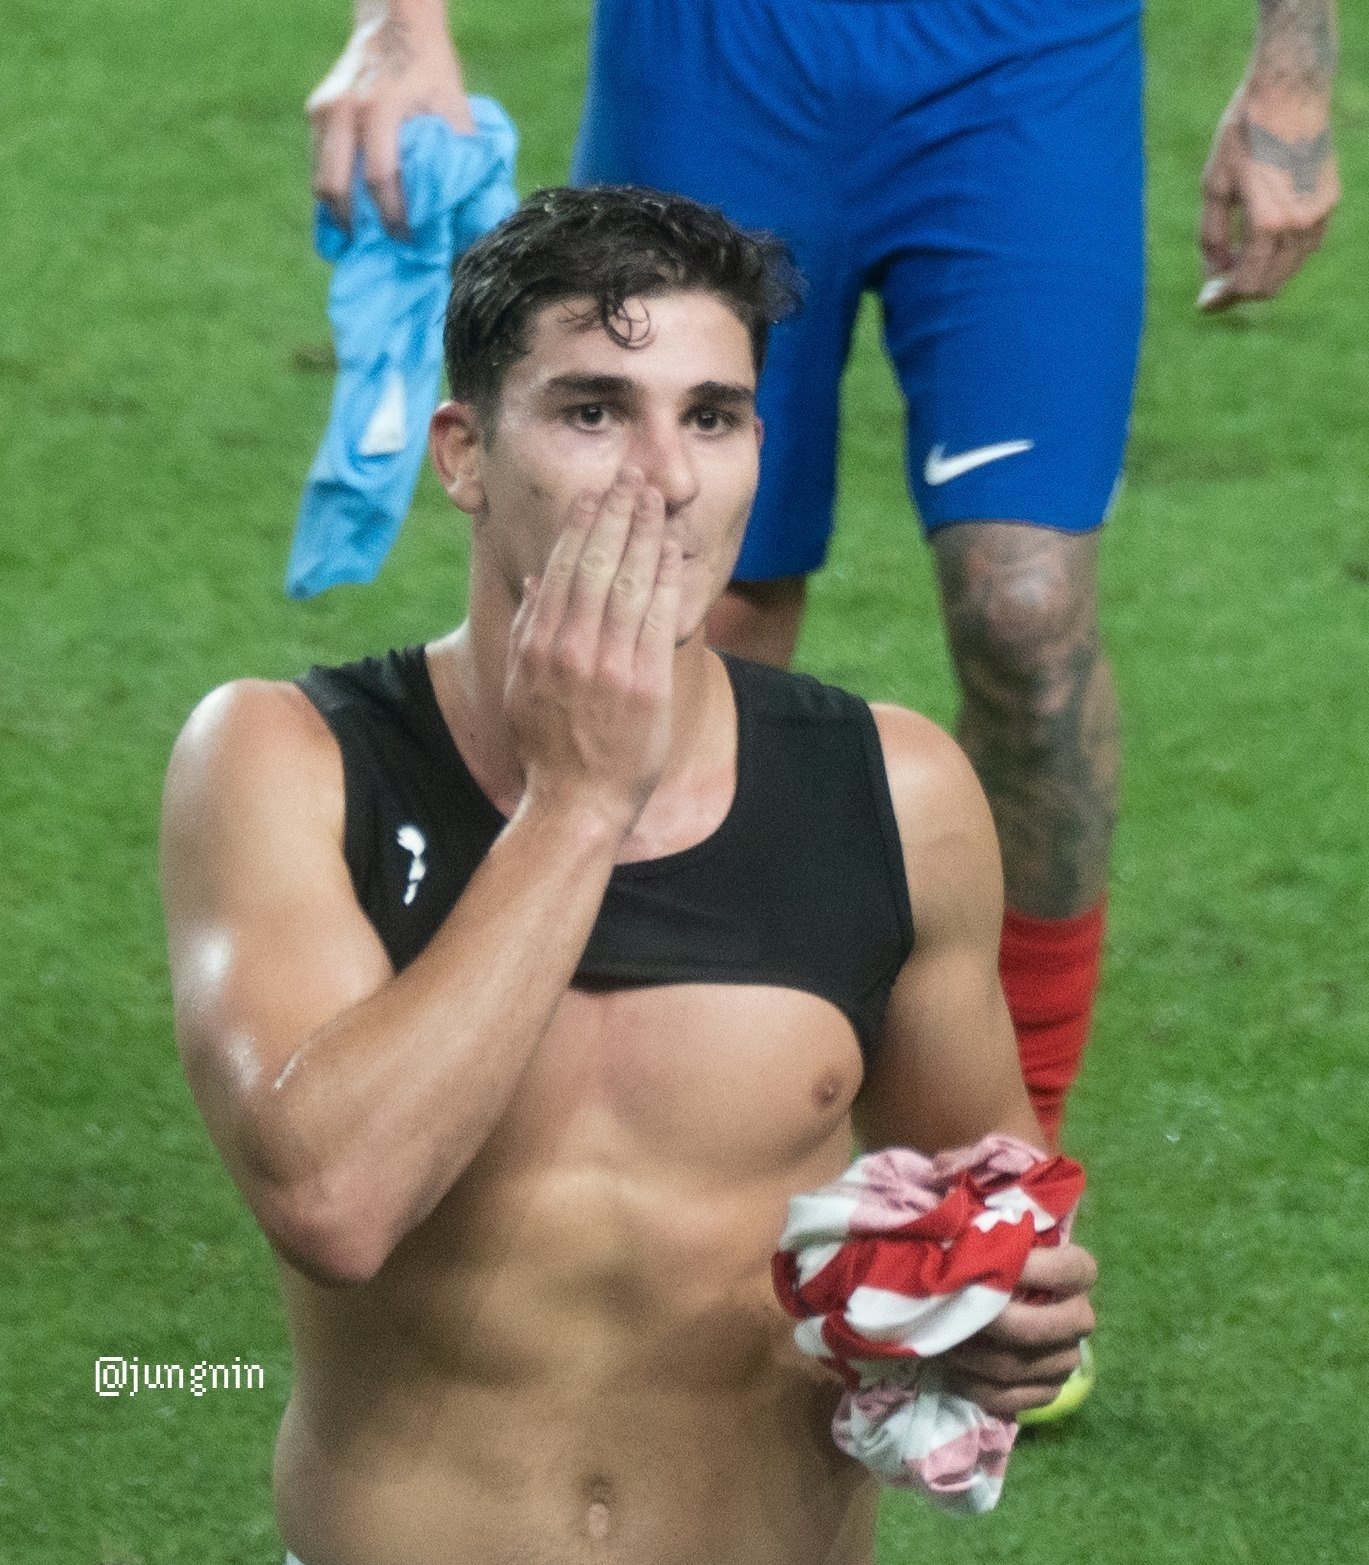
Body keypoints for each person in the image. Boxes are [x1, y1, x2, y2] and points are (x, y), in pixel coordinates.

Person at [162, 186, 1097, 1565]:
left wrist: (1002, 1321)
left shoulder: (895, 792)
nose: (662, 478)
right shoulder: (283, 761)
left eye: (711, 417)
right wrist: (580, 799)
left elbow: (988, 1207)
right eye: (593, 411)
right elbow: (334, 1198)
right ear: (464, 453)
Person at [304, 0, 1342, 1152]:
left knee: (1029, 614)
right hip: (712, 47)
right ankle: (658, 1153)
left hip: (1027, 58)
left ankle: (1007, 1159)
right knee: (691, 605)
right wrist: (401, 26)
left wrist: (1294, 71)